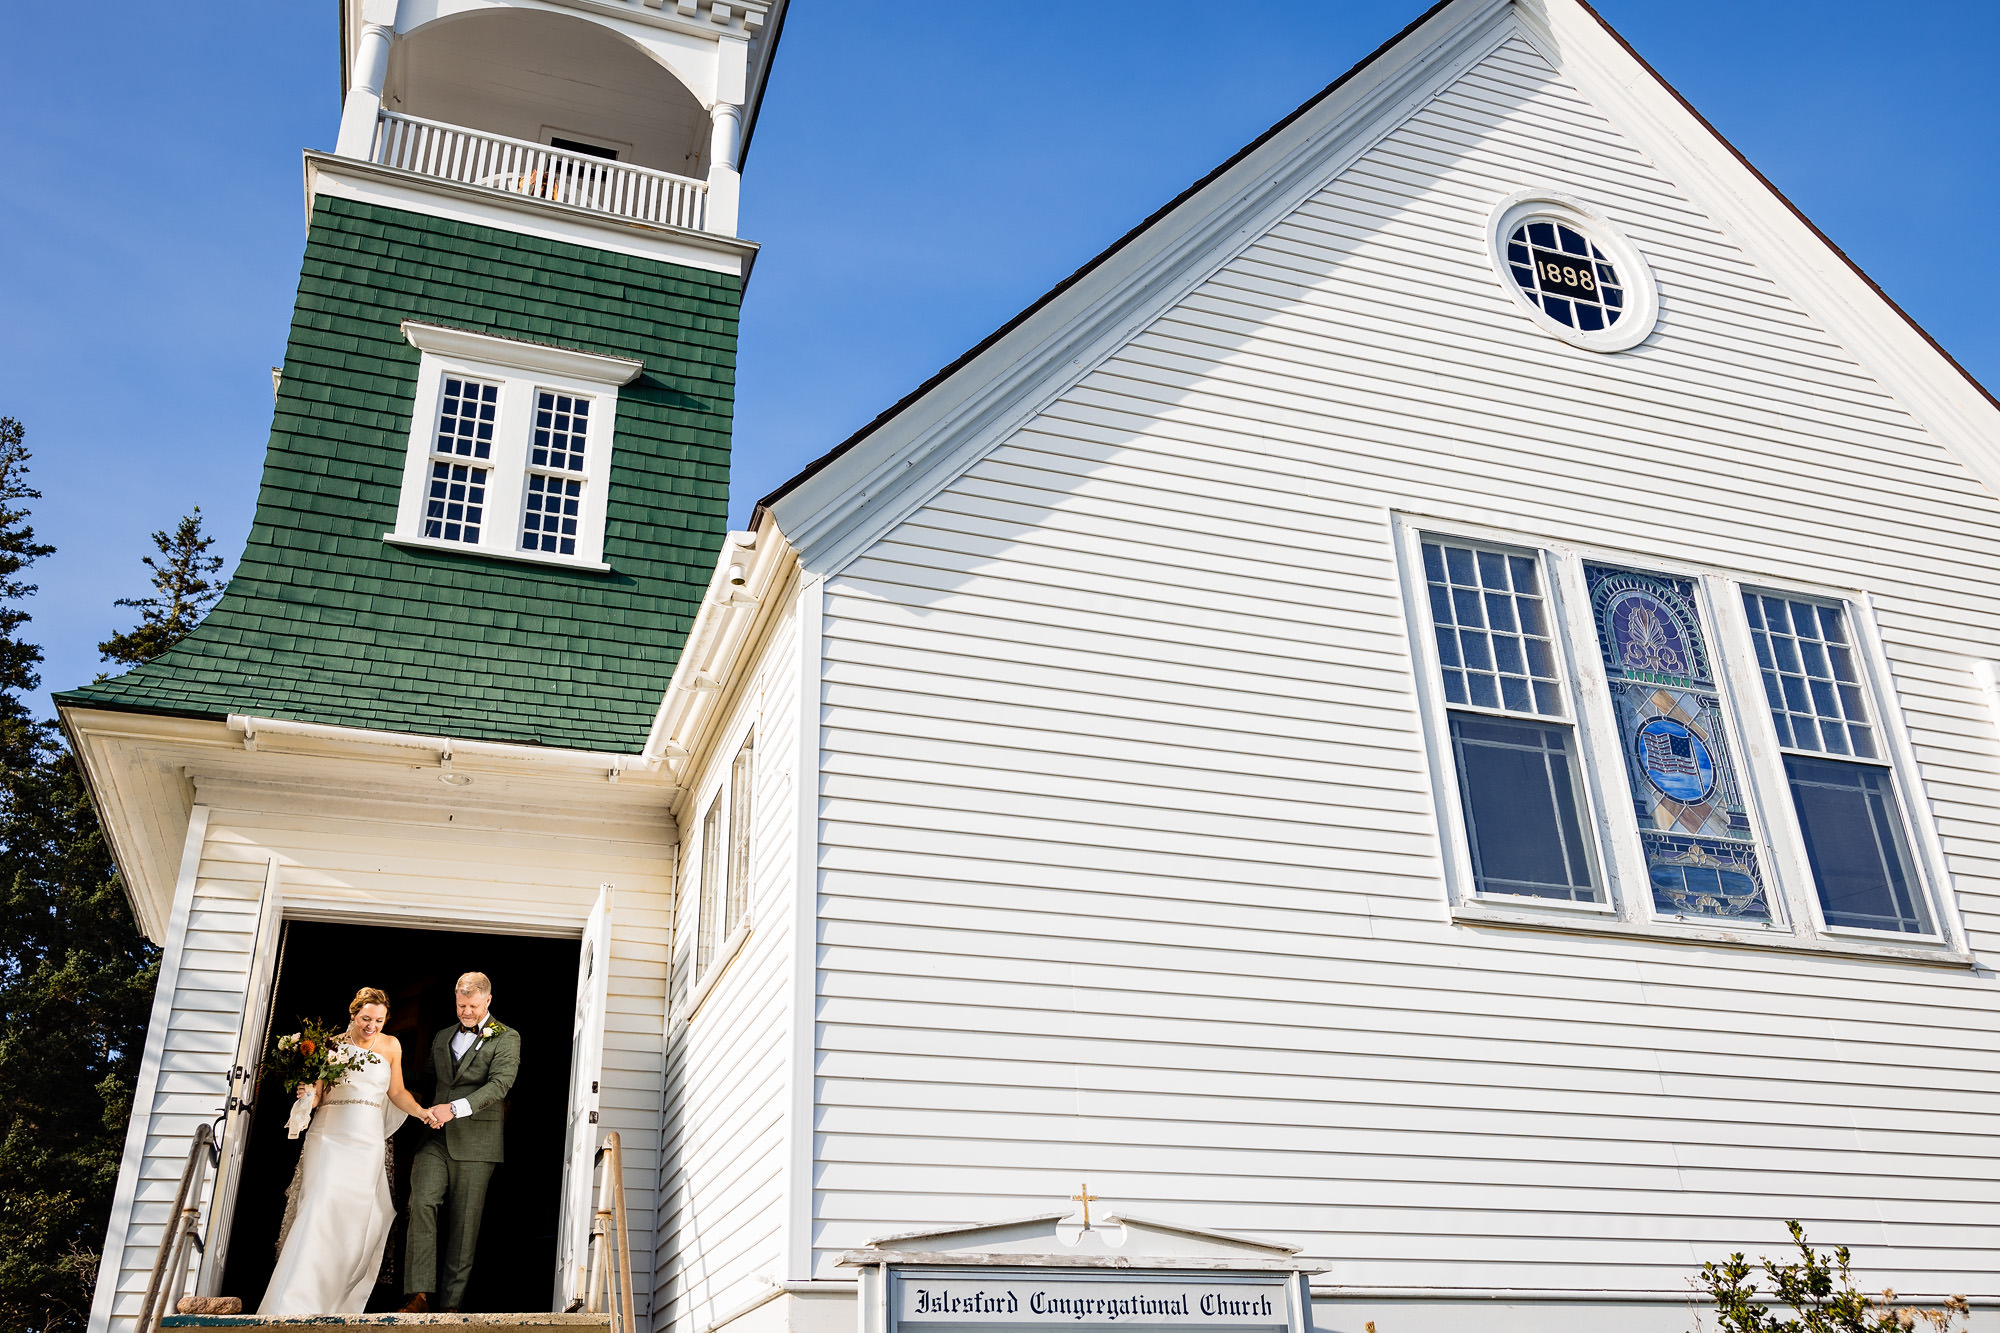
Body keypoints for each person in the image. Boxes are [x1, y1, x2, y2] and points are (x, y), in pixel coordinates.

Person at [257, 987, 430, 1315]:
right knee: (319, 1208)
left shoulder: (392, 1046)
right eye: (366, 1018)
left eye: (378, 1020)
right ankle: (294, 1302)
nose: (372, 1026)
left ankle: (336, 1301)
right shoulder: (329, 1045)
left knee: (357, 1217)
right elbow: (319, 1095)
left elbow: (397, 1092)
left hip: (367, 1142)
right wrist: (307, 1092)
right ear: (353, 1015)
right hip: (329, 1136)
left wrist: (421, 1112)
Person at [400, 971, 521, 1314]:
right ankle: (419, 1296)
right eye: (460, 1005)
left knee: (465, 1224)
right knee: (421, 1203)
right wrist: (382, 1067)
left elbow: (500, 1085)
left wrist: (454, 1109)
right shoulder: (441, 1037)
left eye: (472, 1005)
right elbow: (427, 1079)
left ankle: (452, 1306)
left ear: (488, 1001)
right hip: (434, 1138)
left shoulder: (506, 1037)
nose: (466, 1012)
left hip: (478, 1142)